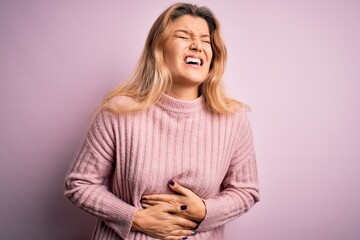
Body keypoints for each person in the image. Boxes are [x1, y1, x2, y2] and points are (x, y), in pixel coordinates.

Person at [64, 2, 260, 240]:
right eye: (183, 36)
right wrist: (134, 218)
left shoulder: (233, 119)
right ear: (159, 48)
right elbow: (79, 184)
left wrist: (204, 211)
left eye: (205, 40)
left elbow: (246, 191)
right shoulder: (118, 112)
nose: (197, 45)